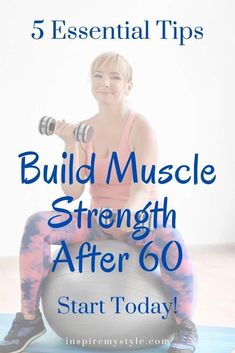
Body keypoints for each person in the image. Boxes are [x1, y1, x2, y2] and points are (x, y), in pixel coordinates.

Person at [0, 52, 198, 353]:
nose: (105, 83)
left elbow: (142, 187)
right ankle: (29, 319)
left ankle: (185, 325)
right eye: (99, 76)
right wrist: (69, 144)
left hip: (138, 216)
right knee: (37, 224)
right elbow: (72, 190)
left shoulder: (140, 126)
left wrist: (126, 218)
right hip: (98, 220)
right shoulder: (84, 130)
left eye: (115, 77)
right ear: (91, 82)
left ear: (128, 86)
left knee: (170, 239)